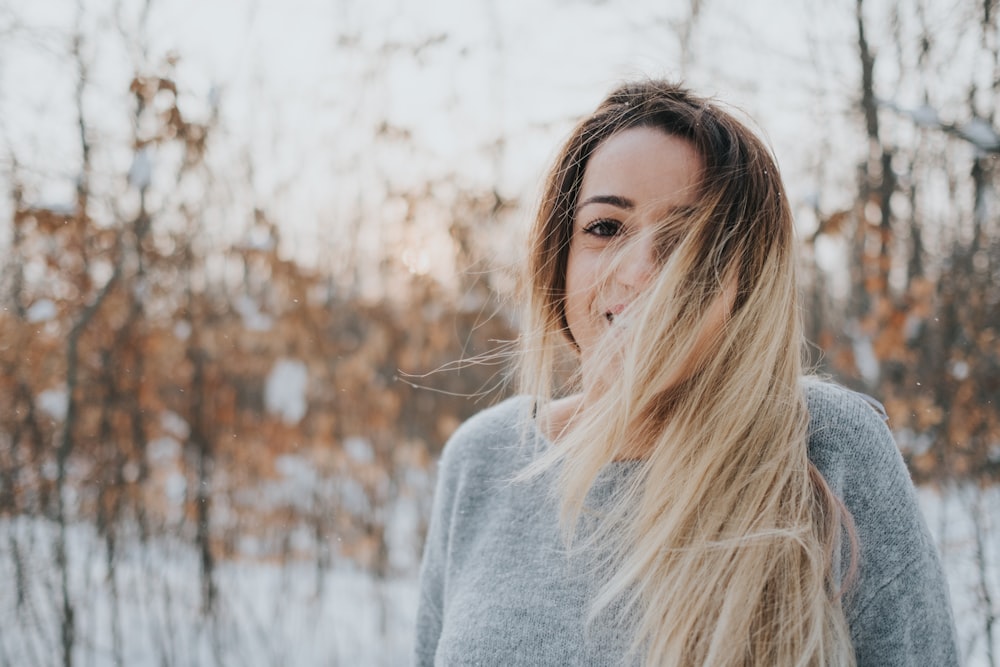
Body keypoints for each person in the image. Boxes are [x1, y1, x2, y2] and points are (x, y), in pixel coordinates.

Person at [414, 81, 959, 666]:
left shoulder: (824, 446)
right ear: (560, 256)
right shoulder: (483, 458)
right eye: (605, 228)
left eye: (686, 239)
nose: (640, 273)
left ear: (745, 281)